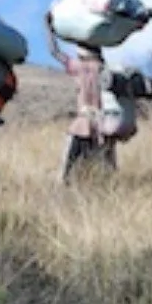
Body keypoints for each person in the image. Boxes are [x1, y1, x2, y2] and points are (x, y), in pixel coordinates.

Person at [45, 12, 117, 184]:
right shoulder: (106, 70)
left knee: (67, 171)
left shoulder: (78, 67)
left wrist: (48, 28)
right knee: (103, 174)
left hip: (82, 124)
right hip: (103, 127)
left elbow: (55, 52)